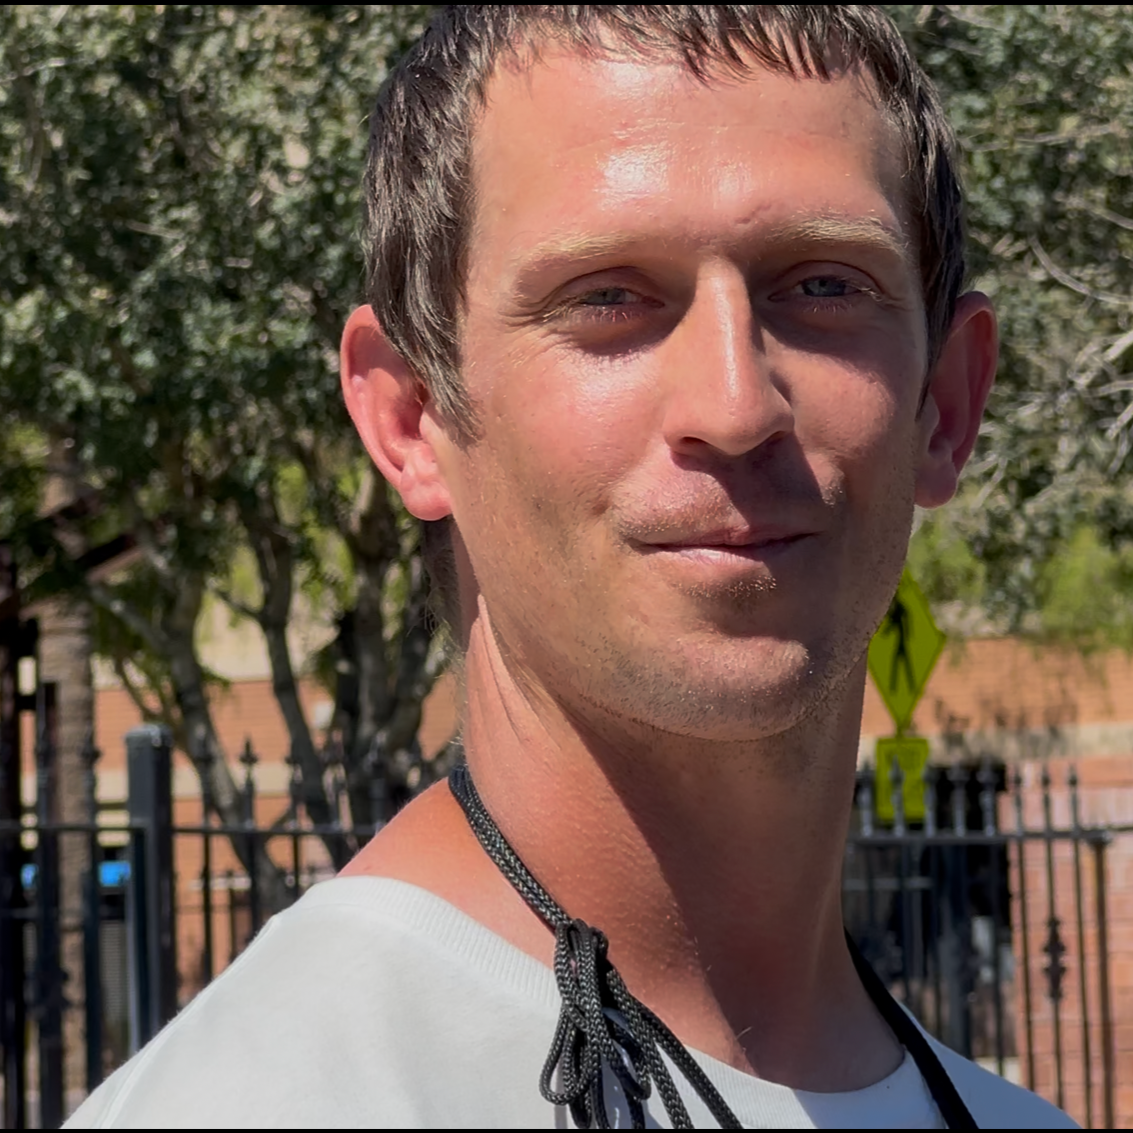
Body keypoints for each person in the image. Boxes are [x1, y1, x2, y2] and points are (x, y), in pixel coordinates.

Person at [68, 6, 1075, 1128]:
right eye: (605, 298)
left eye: (823, 285)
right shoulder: (270, 1101)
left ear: (947, 404)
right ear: (410, 418)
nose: (734, 405)